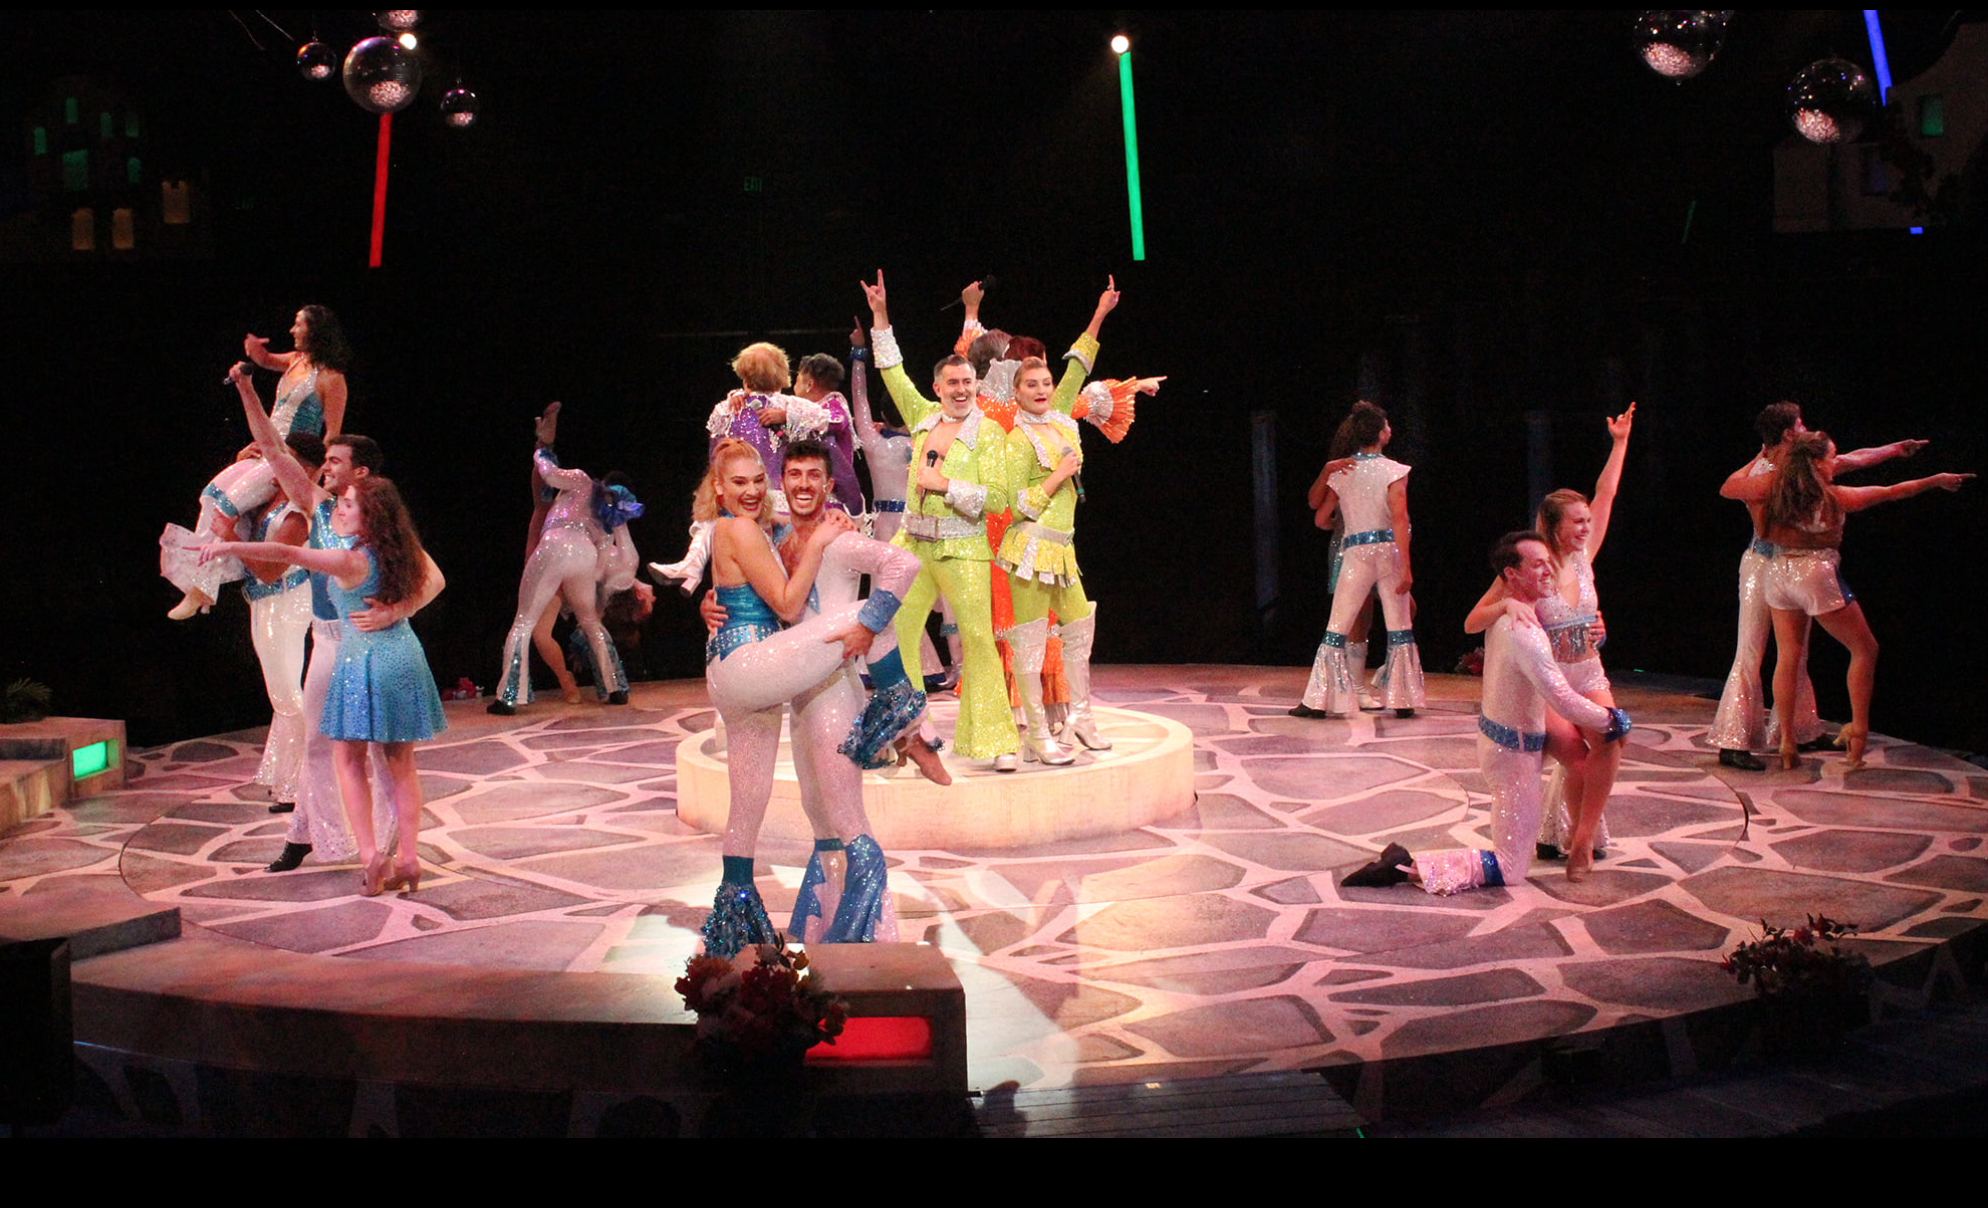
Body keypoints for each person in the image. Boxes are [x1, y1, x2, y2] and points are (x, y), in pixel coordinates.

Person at [864, 271, 1124, 770]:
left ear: (977, 385)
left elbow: (999, 497)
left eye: (968, 382)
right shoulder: (921, 416)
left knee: (981, 641)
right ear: (937, 387)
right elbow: (892, 370)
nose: (961, 389)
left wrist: (947, 486)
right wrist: (880, 317)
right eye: (952, 383)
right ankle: (911, 732)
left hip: (964, 547)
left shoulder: (990, 433)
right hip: (912, 545)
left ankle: (998, 740)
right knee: (896, 635)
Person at [698, 439, 926, 956]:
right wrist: (822, 541)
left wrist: (709, 603)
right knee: (869, 616)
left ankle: (734, 931)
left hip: (738, 680)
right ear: (719, 488)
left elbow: (746, 575)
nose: (751, 491)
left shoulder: (757, 529)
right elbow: (786, 605)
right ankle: (901, 713)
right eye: (739, 483)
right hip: (751, 665)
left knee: (747, 807)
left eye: (757, 481)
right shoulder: (741, 529)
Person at [225, 365, 442, 876]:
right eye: (324, 460)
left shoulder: (381, 523)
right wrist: (248, 389)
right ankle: (310, 835)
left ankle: (388, 847)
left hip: (370, 642)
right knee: (319, 745)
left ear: (360, 473)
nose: (324, 466)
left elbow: (433, 578)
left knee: (382, 754)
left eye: (335, 460)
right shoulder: (320, 509)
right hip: (327, 642)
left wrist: (395, 609)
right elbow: (274, 450)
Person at [1344, 532, 1630, 894]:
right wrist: (1613, 720)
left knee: (1577, 763)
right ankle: (1406, 867)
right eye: (1538, 565)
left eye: (1548, 563)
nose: (1549, 571)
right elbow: (1562, 699)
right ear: (1512, 574)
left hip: (1512, 744)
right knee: (1510, 868)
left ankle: (1580, 837)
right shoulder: (1524, 631)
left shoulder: (1513, 615)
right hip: (1512, 754)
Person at [204, 475, 447, 897]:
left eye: (350, 505)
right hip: (405, 655)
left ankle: (371, 856)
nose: (340, 509)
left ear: (371, 517)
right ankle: (408, 858)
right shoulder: (403, 552)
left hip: (365, 660)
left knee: (348, 761)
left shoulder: (350, 561)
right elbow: (435, 582)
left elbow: (285, 552)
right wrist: (396, 611)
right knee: (401, 765)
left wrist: (228, 546)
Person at [1463, 404, 1635, 878]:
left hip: (1589, 669)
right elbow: (1472, 622)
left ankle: (1581, 839)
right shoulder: (1533, 569)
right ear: (1554, 526)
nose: (1586, 528)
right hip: (1549, 681)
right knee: (1578, 759)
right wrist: (1505, 606)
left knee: (1610, 743)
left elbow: (1607, 492)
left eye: (1587, 521)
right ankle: (1571, 836)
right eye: (1577, 522)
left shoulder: (1584, 556)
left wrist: (1619, 444)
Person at [1710, 403, 1929, 770]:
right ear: (1788, 434)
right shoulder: (1769, 473)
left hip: (1791, 565)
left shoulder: (1800, 466)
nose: (1806, 427)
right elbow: (1730, 488)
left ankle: (1798, 730)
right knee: (1751, 651)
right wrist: (1761, 454)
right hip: (1763, 563)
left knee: (1794, 653)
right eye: (1800, 424)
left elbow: (1851, 460)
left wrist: (1893, 450)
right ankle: (1734, 739)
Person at [1753, 432, 1970, 769]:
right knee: (1865, 649)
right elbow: (1892, 492)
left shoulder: (1777, 496)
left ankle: (1786, 742)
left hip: (1778, 574)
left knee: (1788, 655)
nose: (1836, 462)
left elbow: (1859, 461)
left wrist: (1893, 450)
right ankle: (1858, 734)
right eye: (1831, 457)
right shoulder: (1834, 498)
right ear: (1816, 464)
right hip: (1814, 574)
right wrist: (1935, 481)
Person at [164, 307, 351, 619]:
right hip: (264, 451)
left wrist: (311, 479)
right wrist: (253, 349)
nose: (292, 330)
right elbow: (264, 360)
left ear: (316, 331)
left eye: (299, 325)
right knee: (211, 495)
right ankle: (203, 582)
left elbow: (332, 435)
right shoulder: (296, 360)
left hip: (289, 460)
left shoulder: (331, 379)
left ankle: (201, 588)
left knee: (228, 506)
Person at [489, 407, 641, 715]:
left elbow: (549, 474)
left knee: (524, 622)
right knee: (591, 622)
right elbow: (603, 559)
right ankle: (616, 688)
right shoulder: (604, 517)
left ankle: (508, 697)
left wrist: (541, 451)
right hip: (584, 556)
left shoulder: (582, 481)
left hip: (557, 544)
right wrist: (591, 588)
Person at [1291, 402, 1424, 718]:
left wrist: (1346, 520)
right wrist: (1406, 567)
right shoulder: (1395, 470)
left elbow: (1320, 516)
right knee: (1399, 625)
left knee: (1337, 626)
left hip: (1355, 552)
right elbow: (1399, 518)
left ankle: (1317, 701)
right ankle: (1403, 700)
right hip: (1388, 551)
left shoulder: (1344, 471)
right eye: (1387, 425)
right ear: (1382, 434)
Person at [238, 434, 321, 815]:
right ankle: (285, 776)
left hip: (285, 601)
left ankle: (303, 782)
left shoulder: (298, 511)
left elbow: (270, 570)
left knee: (286, 694)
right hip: (265, 602)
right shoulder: (273, 495)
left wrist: (228, 539)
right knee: (282, 693)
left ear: (302, 467)